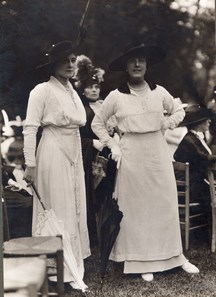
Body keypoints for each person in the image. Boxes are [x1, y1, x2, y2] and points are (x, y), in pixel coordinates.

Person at [91, 44, 199, 282]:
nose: (137, 65)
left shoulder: (159, 92)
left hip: (157, 151)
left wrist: (167, 124)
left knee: (164, 201)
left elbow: (178, 112)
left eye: (141, 61)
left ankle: (175, 257)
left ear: (147, 65)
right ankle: (141, 260)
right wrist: (113, 145)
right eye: (132, 61)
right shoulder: (116, 96)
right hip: (132, 154)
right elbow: (97, 124)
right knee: (136, 207)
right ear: (126, 67)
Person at [23, 41, 90, 288]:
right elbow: (30, 128)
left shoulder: (73, 92)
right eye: (65, 59)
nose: (70, 65)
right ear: (53, 63)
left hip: (74, 153)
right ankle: (58, 270)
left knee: (74, 207)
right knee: (57, 208)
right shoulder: (41, 90)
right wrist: (30, 164)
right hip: (52, 151)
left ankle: (74, 265)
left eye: (73, 60)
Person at [74, 55, 117, 247]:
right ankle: (92, 237)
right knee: (92, 196)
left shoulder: (104, 105)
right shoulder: (80, 109)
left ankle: (109, 233)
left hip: (108, 155)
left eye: (96, 86)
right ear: (82, 88)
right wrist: (92, 143)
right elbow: (75, 136)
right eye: (90, 86)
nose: (93, 89)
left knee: (109, 193)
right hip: (88, 157)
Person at [174, 104, 216, 215]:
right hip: (193, 188)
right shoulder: (190, 140)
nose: (209, 121)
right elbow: (204, 158)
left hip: (197, 183)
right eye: (206, 119)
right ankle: (211, 228)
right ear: (198, 123)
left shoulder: (195, 138)